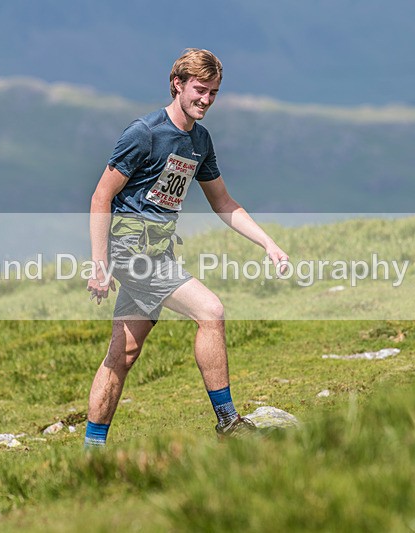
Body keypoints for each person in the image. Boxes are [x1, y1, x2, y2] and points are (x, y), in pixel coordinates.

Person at [84, 49, 289, 448]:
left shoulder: (200, 141)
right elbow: (100, 197)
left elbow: (224, 202)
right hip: (131, 253)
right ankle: (229, 422)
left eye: (213, 93)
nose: (206, 100)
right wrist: (100, 265)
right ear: (177, 84)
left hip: (158, 254)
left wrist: (269, 243)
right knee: (211, 311)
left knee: (123, 353)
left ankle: (92, 450)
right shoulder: (143, 132)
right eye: (200, 90)